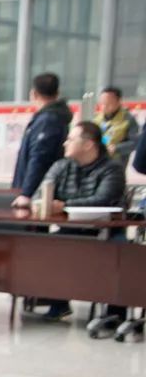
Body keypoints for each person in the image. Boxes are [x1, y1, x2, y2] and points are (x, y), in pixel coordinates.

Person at [32, 122, 127, 326]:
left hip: (105, 231)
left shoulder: (112, 169)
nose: (65, 143)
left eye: (71, 139)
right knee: (46, 247)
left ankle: (116, 314)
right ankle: (58, 303)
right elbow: (40, 195)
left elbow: (102, 199)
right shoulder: (61, 166)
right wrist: (44, 202)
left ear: (88, 144)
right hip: (71, 229)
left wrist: (64, 205)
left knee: (122, 255)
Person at [11, 73, 72, 207]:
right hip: (44, 190)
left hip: (37, 193)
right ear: (57, 93)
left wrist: (26, 193)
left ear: (33, 94)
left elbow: (39, 158)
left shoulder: (47, 120)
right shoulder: (57, 116)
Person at [93, 86, 141, 157]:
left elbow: (135, 143)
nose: (104, 106)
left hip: (117, 160)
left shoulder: (128, 119)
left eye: (109, 103)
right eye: (102, 103)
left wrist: (116, 148)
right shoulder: (96, 118)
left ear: (119, 102)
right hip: (97, 158)